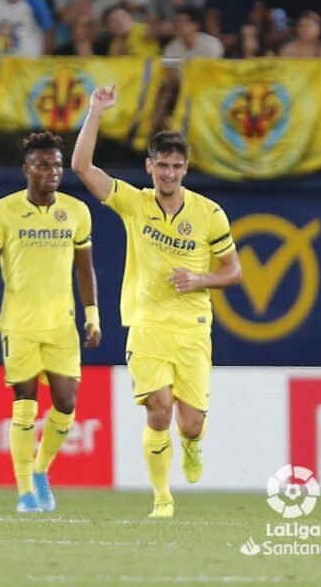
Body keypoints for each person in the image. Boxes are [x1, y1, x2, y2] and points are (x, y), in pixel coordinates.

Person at [71, 87, 243, 518]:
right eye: (162, 165)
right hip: (146, 324)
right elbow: (81, 167)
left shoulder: (210, 214)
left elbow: (233, 271)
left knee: (190, 422)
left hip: (192, 328)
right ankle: (162, 497)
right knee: (158, 409)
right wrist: (95, 112)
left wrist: (200, 278)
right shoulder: (135, 203)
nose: (169, 174)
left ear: (186, 168)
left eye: (176, 166)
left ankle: (191, 446)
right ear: (149, 167)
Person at [0, 131, 101, 513]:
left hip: (61, 325)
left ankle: (40, 470)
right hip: (18, 325)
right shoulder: (1, 211)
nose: (51, 171)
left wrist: (93, 316)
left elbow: (85, 271)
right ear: (26, 170)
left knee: (66, 405)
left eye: (56, 164)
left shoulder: (76, 211)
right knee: (24, 404)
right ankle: (24, 493)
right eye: (42, 164)